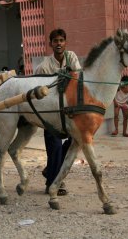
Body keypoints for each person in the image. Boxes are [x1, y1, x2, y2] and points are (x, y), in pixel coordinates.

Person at [35, 28, 82, 196]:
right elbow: (38, 92)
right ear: (50, 44)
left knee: (75, 140)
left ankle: (51, 171)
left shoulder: (72, 58)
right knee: (54, 144)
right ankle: (53, 182)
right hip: (51, 113)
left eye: (61, 40)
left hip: (68, 111)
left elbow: (77, 79)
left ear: (65, 43)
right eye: (55, 41)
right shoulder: (44, 67)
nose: (59, 44)